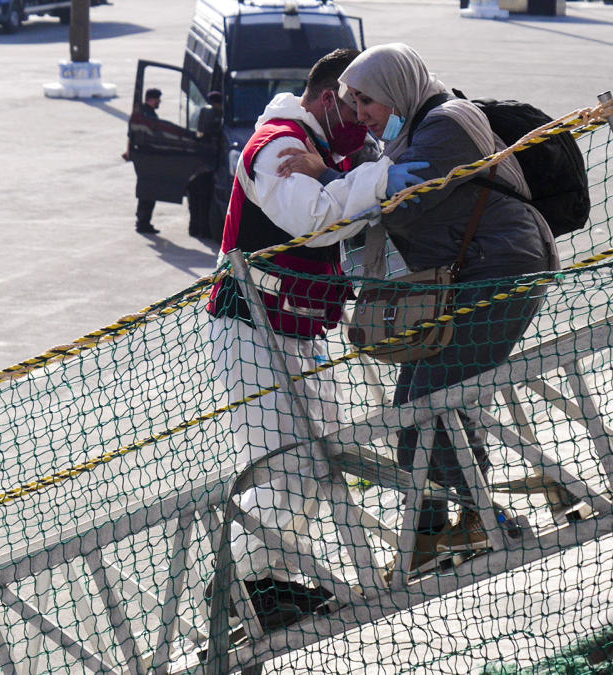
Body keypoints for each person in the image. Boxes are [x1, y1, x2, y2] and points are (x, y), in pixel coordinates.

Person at [206, 48, 428, 630]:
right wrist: (372, 178)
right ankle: (244, 587)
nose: (363, 122)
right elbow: (318, 219)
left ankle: (267, 579)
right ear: (329, 99)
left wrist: (345, 174)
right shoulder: (275, 149)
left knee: (319, 455)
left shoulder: (324, 150)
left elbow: (347, 207)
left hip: (296, 329)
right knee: (285, 462)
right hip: (251, 328)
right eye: (355, 107)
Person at [338, 43, 560, 574]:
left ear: (396, 88)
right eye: (352, 103)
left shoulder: (447, 124)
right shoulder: (421, 127)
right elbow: (379, 189)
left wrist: (327, 183)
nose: (360, 114)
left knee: (431, 403)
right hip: (475, 274)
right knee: (416, 411)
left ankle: (482, 520)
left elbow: (402, 198)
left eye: (366, 100)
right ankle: (435, 530)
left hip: (503, 268)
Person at [122, 88, 163, 235]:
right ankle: (143, 222)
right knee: (148, 190)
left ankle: (142, 220)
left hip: (141, 156)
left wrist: (128, 152)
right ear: (152, 99)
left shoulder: (138, 114)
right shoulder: (148, 115)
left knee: (145, 188)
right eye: (158, 99)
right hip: (147, 157)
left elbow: (130, 136)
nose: (159, 102)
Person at [187, 91, 224, 239]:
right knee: (202, 198)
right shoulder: (211, 114)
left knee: (195, 198)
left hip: (195, 162)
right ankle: (202, 229)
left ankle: (194, 228)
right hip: (205, 165)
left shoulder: (198, 112)